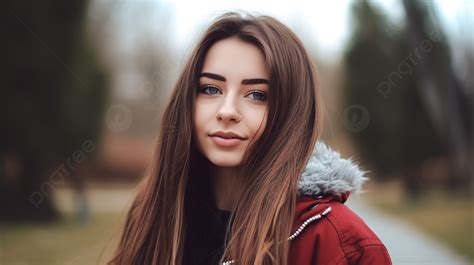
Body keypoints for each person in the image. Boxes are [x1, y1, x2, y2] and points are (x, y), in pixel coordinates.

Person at [108, 11, 392, 265]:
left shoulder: (341, 244)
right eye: (211, 89)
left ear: (292, 114)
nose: (227, 111)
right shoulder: (151, 219)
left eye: (257, 95)